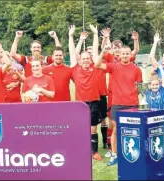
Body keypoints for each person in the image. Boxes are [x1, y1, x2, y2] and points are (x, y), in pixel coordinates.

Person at [96, 41, 143, 166]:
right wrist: (103, 51)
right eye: (123, 54)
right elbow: (97, 64)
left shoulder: (137, 69)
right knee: (116, 130)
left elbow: (140, 87)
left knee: (134, 130)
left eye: (127, 53)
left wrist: (134, 97)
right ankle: (115, 155)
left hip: (132, 104)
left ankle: (133, 154)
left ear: (130, 55)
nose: (125, 56)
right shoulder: (113, 66)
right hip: (117, 104)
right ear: (119, 55)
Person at [68, 25, 106, 161]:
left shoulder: (95, 68)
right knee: (81, 127)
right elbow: (73, 52)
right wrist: (71, 36)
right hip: (80, 104)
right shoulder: (75, 69)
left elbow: (95, 51)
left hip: (94, 101)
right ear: (80, 60)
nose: (85, 60)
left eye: (87, 58)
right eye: (83, 58)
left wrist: (96, 34)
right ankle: (81, 149)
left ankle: (94, 152)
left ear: (90, 60)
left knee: (93, 128)